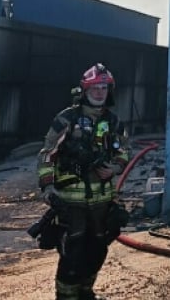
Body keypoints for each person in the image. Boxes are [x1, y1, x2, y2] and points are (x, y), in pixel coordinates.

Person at [37, 63, 131, 300]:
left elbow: (124, 151)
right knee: (72, 255)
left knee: (98, 251)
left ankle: (86, 293)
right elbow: (47, 153)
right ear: (84, 90)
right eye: (95, 88)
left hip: (102, 202)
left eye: (103, 88)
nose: (99, 92)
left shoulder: (113, 121)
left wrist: (114, 168)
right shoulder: (66, 118)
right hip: (71, 203)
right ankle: (67, 297)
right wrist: (48, 187)